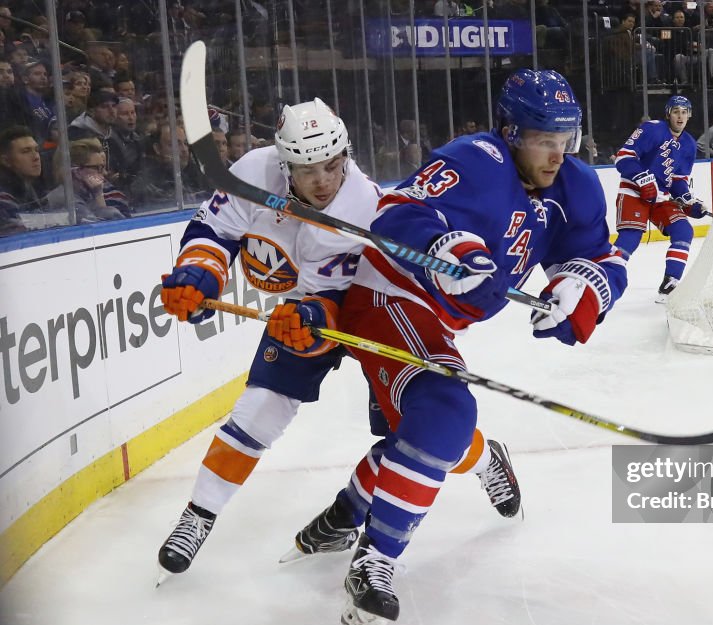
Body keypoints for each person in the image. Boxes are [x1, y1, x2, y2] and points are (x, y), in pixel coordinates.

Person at [293, 69, 627, 625]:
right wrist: (450, 249)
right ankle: (375, 559)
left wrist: (579, 290)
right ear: (510, 132)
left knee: (430, 433)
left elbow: (604, 258)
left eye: (564, 140)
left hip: (441, 324)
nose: (555, 154)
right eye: (542, 140)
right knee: (445, 415)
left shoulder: (575, 185)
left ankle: (351, 511)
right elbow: (397, 212)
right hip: (390, 294)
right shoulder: (475, 159)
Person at [155, 99, 520, 582]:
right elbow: (214, 230)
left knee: (416, 433)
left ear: (345, 154)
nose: (323, 180)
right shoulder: (251, 172)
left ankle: (483, 459)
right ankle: (197, 516)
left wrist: (313, 316)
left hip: (370, 306)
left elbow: (337, 298)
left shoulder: (364, 206)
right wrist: (198, 274)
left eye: (332, 165)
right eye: (307, 171)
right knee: (259, 409)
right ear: (284, 164)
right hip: (300, 307)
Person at [612, 95, 709, 301]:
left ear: (689, 115)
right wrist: (642, 178)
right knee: (630, 237)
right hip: (634, 191)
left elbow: (677, 180)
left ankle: (670, 284)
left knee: (684, 230)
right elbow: (624, 156)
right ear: (668, 114)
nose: (680, 116)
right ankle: (603, 276)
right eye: (676, 111)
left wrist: (688, 201)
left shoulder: (689, 145)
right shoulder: (652, 129)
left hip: (661, 198)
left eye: (684, 112)